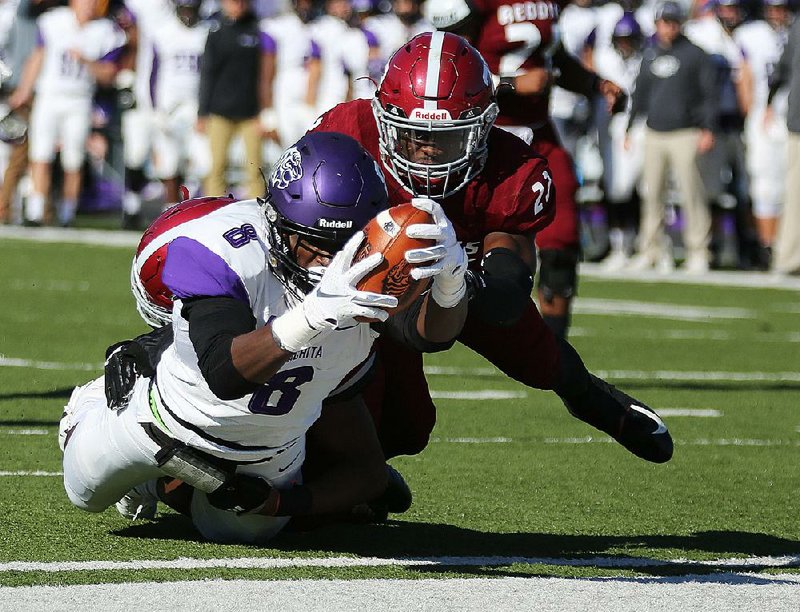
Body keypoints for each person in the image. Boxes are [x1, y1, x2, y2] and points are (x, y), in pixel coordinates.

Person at [60, 132, 470, 544]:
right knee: (84, 492)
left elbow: (428, 337)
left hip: (268, 455)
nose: (332, 264)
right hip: (160, 424)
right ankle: (103, 412)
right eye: (317, 245)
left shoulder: (364, 273)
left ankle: (178, 486)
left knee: (241, 529)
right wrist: (312, 315)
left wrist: (451, 288)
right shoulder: (221, 248)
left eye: (346, 246)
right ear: (278, 224)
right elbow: (225, 375)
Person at [309, 32, 673, 464]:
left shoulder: (510, 169)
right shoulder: (347, 132)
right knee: (404, 421)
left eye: (445, 138)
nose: (427, 151)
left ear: (483, 126)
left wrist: (456, 279)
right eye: (414, 136)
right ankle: (342, 472)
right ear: (384, 119)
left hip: (463, 280)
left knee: (540, 356)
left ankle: (589, 395)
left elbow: (506, 292)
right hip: (362, 288)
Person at [424, 0, 626, 341]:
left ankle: (554, 350)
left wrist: (595, 84)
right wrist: (510, 84)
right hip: (482, 136)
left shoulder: (547, 5)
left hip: (539, 134)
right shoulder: (475, 6)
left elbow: (553, 59)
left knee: (562, 242)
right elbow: (444, 61)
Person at [8, 0, 126, 226]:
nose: (89, 5)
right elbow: (38, 56)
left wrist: (86, 61)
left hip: (79, 99)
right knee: (40, 154)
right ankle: (35, 212)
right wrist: (24, 90)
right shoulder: (53, 21)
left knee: (74, 159)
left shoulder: (106, 31)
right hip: (49, 96)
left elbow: (109, 75)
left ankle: (66, 214)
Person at [625, 0, 717, 274]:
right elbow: (639, 93)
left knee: (692, 194)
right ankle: (650, 250)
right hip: (654, 133)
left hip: (685, 133)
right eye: (664, 22)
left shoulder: (696, 55)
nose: (668, 27)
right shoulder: (650, 53)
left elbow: (708, 95)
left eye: (673, 22)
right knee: (652, 195)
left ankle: (698, 251)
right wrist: (631, 127)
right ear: (656, 24)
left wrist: (707, 128)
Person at [735, 0, 793, 269]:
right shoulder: (751, 34)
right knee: (764, 186)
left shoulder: (794, 31)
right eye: (773, 8)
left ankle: (786, 245)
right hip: (765, 117)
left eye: (781, 8)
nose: (777, 14)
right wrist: (753, 114)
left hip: (791, 116)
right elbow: (745, 77)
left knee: (789, 186)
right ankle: (767, 247)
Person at [197, 0, 274, 199]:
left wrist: (265, 110)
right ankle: (213, 210)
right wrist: (202, 112)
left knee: (255, 168)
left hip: (251, 112)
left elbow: (265, 75)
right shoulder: (216, 33)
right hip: (220, 111)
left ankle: (256, 213)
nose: (237, 4)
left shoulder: (256, 31)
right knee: (216, 166)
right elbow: (208, 74)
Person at [595, 12, 647, 271]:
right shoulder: (605, 59)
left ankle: (641, 243)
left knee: (642, 187)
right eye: (622, 40)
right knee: (617, 186)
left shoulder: (645, 60)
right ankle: (619, 244)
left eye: (630, 40)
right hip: (614, 127)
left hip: (640, 126)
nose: (626, 45)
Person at [150, 0, 211, 205]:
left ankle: (196, 208)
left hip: (196, 104)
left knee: (202, 161)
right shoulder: (163, 33)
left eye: (191, 10)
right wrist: (155, 108)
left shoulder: (206, 32)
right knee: (169, 161)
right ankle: (169, 209)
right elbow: (152, 73)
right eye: (184, 9)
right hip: (169, 106)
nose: (188, 15)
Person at [767, 3, 800, 276]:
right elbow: (782, 69)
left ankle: (787, 258)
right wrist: (768, 103)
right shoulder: (798, 26)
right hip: (799, 122)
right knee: (795, 193)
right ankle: (788, 258)